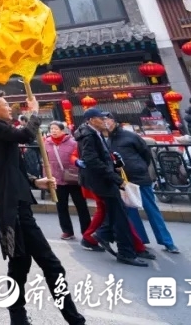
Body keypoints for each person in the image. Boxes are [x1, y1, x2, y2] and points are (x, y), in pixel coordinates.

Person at [0, 90, 85, 325]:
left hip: (19, 205)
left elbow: (13, 168)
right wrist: (35, 111)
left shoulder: (1, 133)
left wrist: (35, 181)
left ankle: (18, 319)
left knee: (19, 267)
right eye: (5, 104)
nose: (9, 108)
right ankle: (74, 320)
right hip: (13, 209)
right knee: (51, 265)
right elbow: (27, 134)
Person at [74, 109, 147, 267]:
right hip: (103, 181)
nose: (105, 121)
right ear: (92, 120)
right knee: (119, 216)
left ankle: (103, 234)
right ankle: (125, 252)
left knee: (115, 213)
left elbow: (98, 157)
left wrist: (113, 163)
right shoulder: (89, 135)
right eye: (101, 118)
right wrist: (115, 178)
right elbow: (91, 159)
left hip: (102, 180)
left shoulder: (94, 133)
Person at [104, 114, 178, 254]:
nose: (105, 123)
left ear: (113, 121)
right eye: (102, 121)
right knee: (131, 213)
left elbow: (145, 153)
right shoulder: (106, 140)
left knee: (151, 210)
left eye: (107, 120)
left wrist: (140, 167)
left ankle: (167, 242)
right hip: (123, 181)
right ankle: (140, 241)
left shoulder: (130, 136)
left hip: (140, 177)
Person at [43, 122, 89, 241]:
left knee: (81, 206)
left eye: (56, 129)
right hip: (57, 180)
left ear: (63, 130)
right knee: (61, 206)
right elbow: (45, 162)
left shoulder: (73, 143)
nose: (53, 131)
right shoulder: (46, 143)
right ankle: (67, 231)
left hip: (73, 179)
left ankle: (87, 231)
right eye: (51, 128)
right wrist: (46, 178)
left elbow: (80, 158)